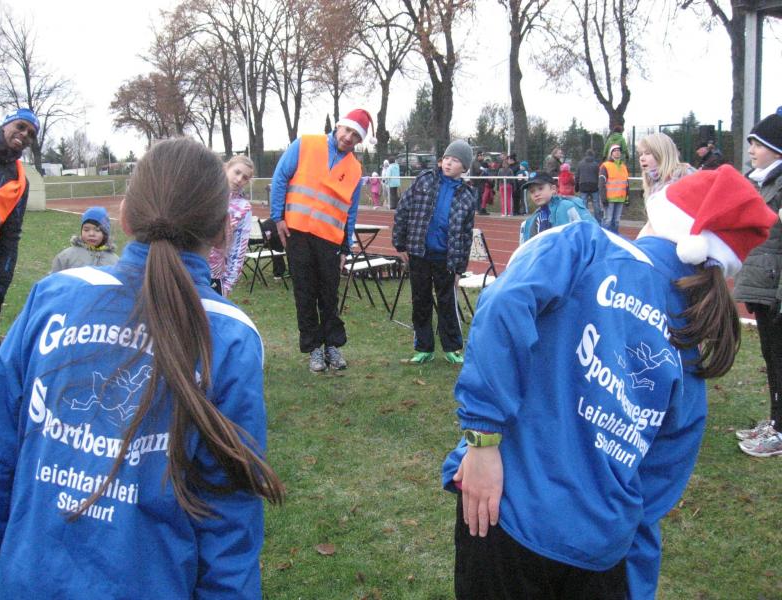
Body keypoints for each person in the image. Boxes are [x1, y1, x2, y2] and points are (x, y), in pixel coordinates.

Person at [443, 165, 776, 600]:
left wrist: (482, 439)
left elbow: (503, 305)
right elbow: (660, 479)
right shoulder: (690, 339)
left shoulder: (586, 245)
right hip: (600, 548)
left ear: (663, 216)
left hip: (508, 512)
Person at [0, 137, 285, 598]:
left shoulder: (55, 297)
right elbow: (228, 512)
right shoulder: (229, 334)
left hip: (29, 580)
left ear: (124, 216)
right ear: (223, 230)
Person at [271, 108, 372, 372]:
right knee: (304, 292)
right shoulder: (305, 144)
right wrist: (277, 217)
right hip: (297, 232)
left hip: (330, 239)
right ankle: (313, 347)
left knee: (329, 294)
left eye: (356, 136)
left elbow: (350, 210)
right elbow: (280, 177)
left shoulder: (355, 169)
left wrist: (345, 247)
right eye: (347, 130)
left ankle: (332, 345)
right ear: (338, 126)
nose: (349, 138)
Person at [392, 140, 476, 365]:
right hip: (419, 253)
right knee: (420, 300)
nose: (448, 163)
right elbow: (403, 210)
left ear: (464, 167)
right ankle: (423, 347)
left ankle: (452, 347)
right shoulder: (425, 180)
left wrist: (459, 268)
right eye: (447, 158)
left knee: (447, 303)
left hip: (446, 258)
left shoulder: (468, 195)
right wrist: (400, 243)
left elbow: (466, 235)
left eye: (455, 160)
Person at [733, 110, 782, 457]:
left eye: (758, 144)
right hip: (764, 286)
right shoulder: (762, 183)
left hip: (775, 289)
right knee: (771, 356)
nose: (751, 149)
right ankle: (776, 420)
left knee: (779, 357)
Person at [0, 108, 38, 385]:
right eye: (21, 126)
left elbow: (11, 236)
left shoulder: (19, 181)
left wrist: (2, 281)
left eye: (31, 133)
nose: (24, 134)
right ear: (6, 124)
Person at [208, 155, 254, 297]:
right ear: (227, 168)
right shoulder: (205, 194)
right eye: (237, 172)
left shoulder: (243, 208)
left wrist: (227, 284)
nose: (239, 179)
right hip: (187, 268)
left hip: (213, 276)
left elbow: (238, 250)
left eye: (245, 177)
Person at [519, 171, 595, 244]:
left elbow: (588, 231)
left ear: (553, 189)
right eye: (532, 191)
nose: (536, 194)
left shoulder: (567, 207)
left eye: (540, 188)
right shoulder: (531, 221)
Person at [51, 206, 119, 272]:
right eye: (86, 230)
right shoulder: (66, 256)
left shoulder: (115, 262)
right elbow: (53, 278)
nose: (91, 234)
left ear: (106, 233)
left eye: (97, 230)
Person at [636, 133, 695, 199]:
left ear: (663, 154)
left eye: (647, 153)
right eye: (641, 154)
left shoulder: (684, 176)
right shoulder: (651, 180)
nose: (641, 158)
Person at [599, 144, 630, 233]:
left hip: (620, 198)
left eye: (618, 150)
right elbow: (601, 183)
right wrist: (603, 197)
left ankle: (615, 237)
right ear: (611, 153)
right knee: (607, 220)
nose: (617, 152)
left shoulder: (623, 166)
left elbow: (626, 183)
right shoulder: (605, 166)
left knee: (616, 221)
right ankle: (604, 238)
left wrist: (627, 198)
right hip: (609, 199)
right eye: (615, 150)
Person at [576, 149, 603, 224]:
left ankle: (584, 221)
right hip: (594, 186)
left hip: (583, 186)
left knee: (583, 205)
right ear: (593, 155)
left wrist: (577, 186)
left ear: (586, 155)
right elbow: (599, 176)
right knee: (596, 205)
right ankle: (598, 222)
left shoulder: (580, 164)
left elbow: (577, 176)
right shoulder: (596, 164)